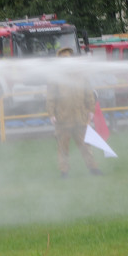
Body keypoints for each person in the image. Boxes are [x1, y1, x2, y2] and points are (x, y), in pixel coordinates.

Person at [46, 48, 101, 178]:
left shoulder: (81, 75)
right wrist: (51, 113)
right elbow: (51, 97)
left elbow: (88, 93)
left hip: (80, 117)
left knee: (86, 145)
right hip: (63, 118)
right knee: (63, 147)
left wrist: (91, 110)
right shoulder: (55, 77)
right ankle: (64, 172)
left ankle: (93, 168)